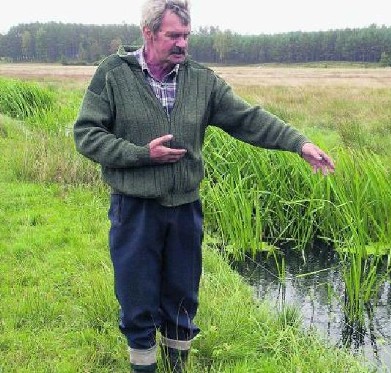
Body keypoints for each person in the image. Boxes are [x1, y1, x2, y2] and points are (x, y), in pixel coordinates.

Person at [73, 0, 335, 371]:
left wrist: (299, 143)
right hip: (135, 210)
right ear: (148, 34)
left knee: (182, 299)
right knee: (138, 301)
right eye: (173, 35)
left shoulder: (202, 80)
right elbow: (86, 135)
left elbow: (248, 119)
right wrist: (140, 154)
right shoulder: (114, 75)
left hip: (184, 210)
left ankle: (176, 367)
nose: (182, 43)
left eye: (186, 35)